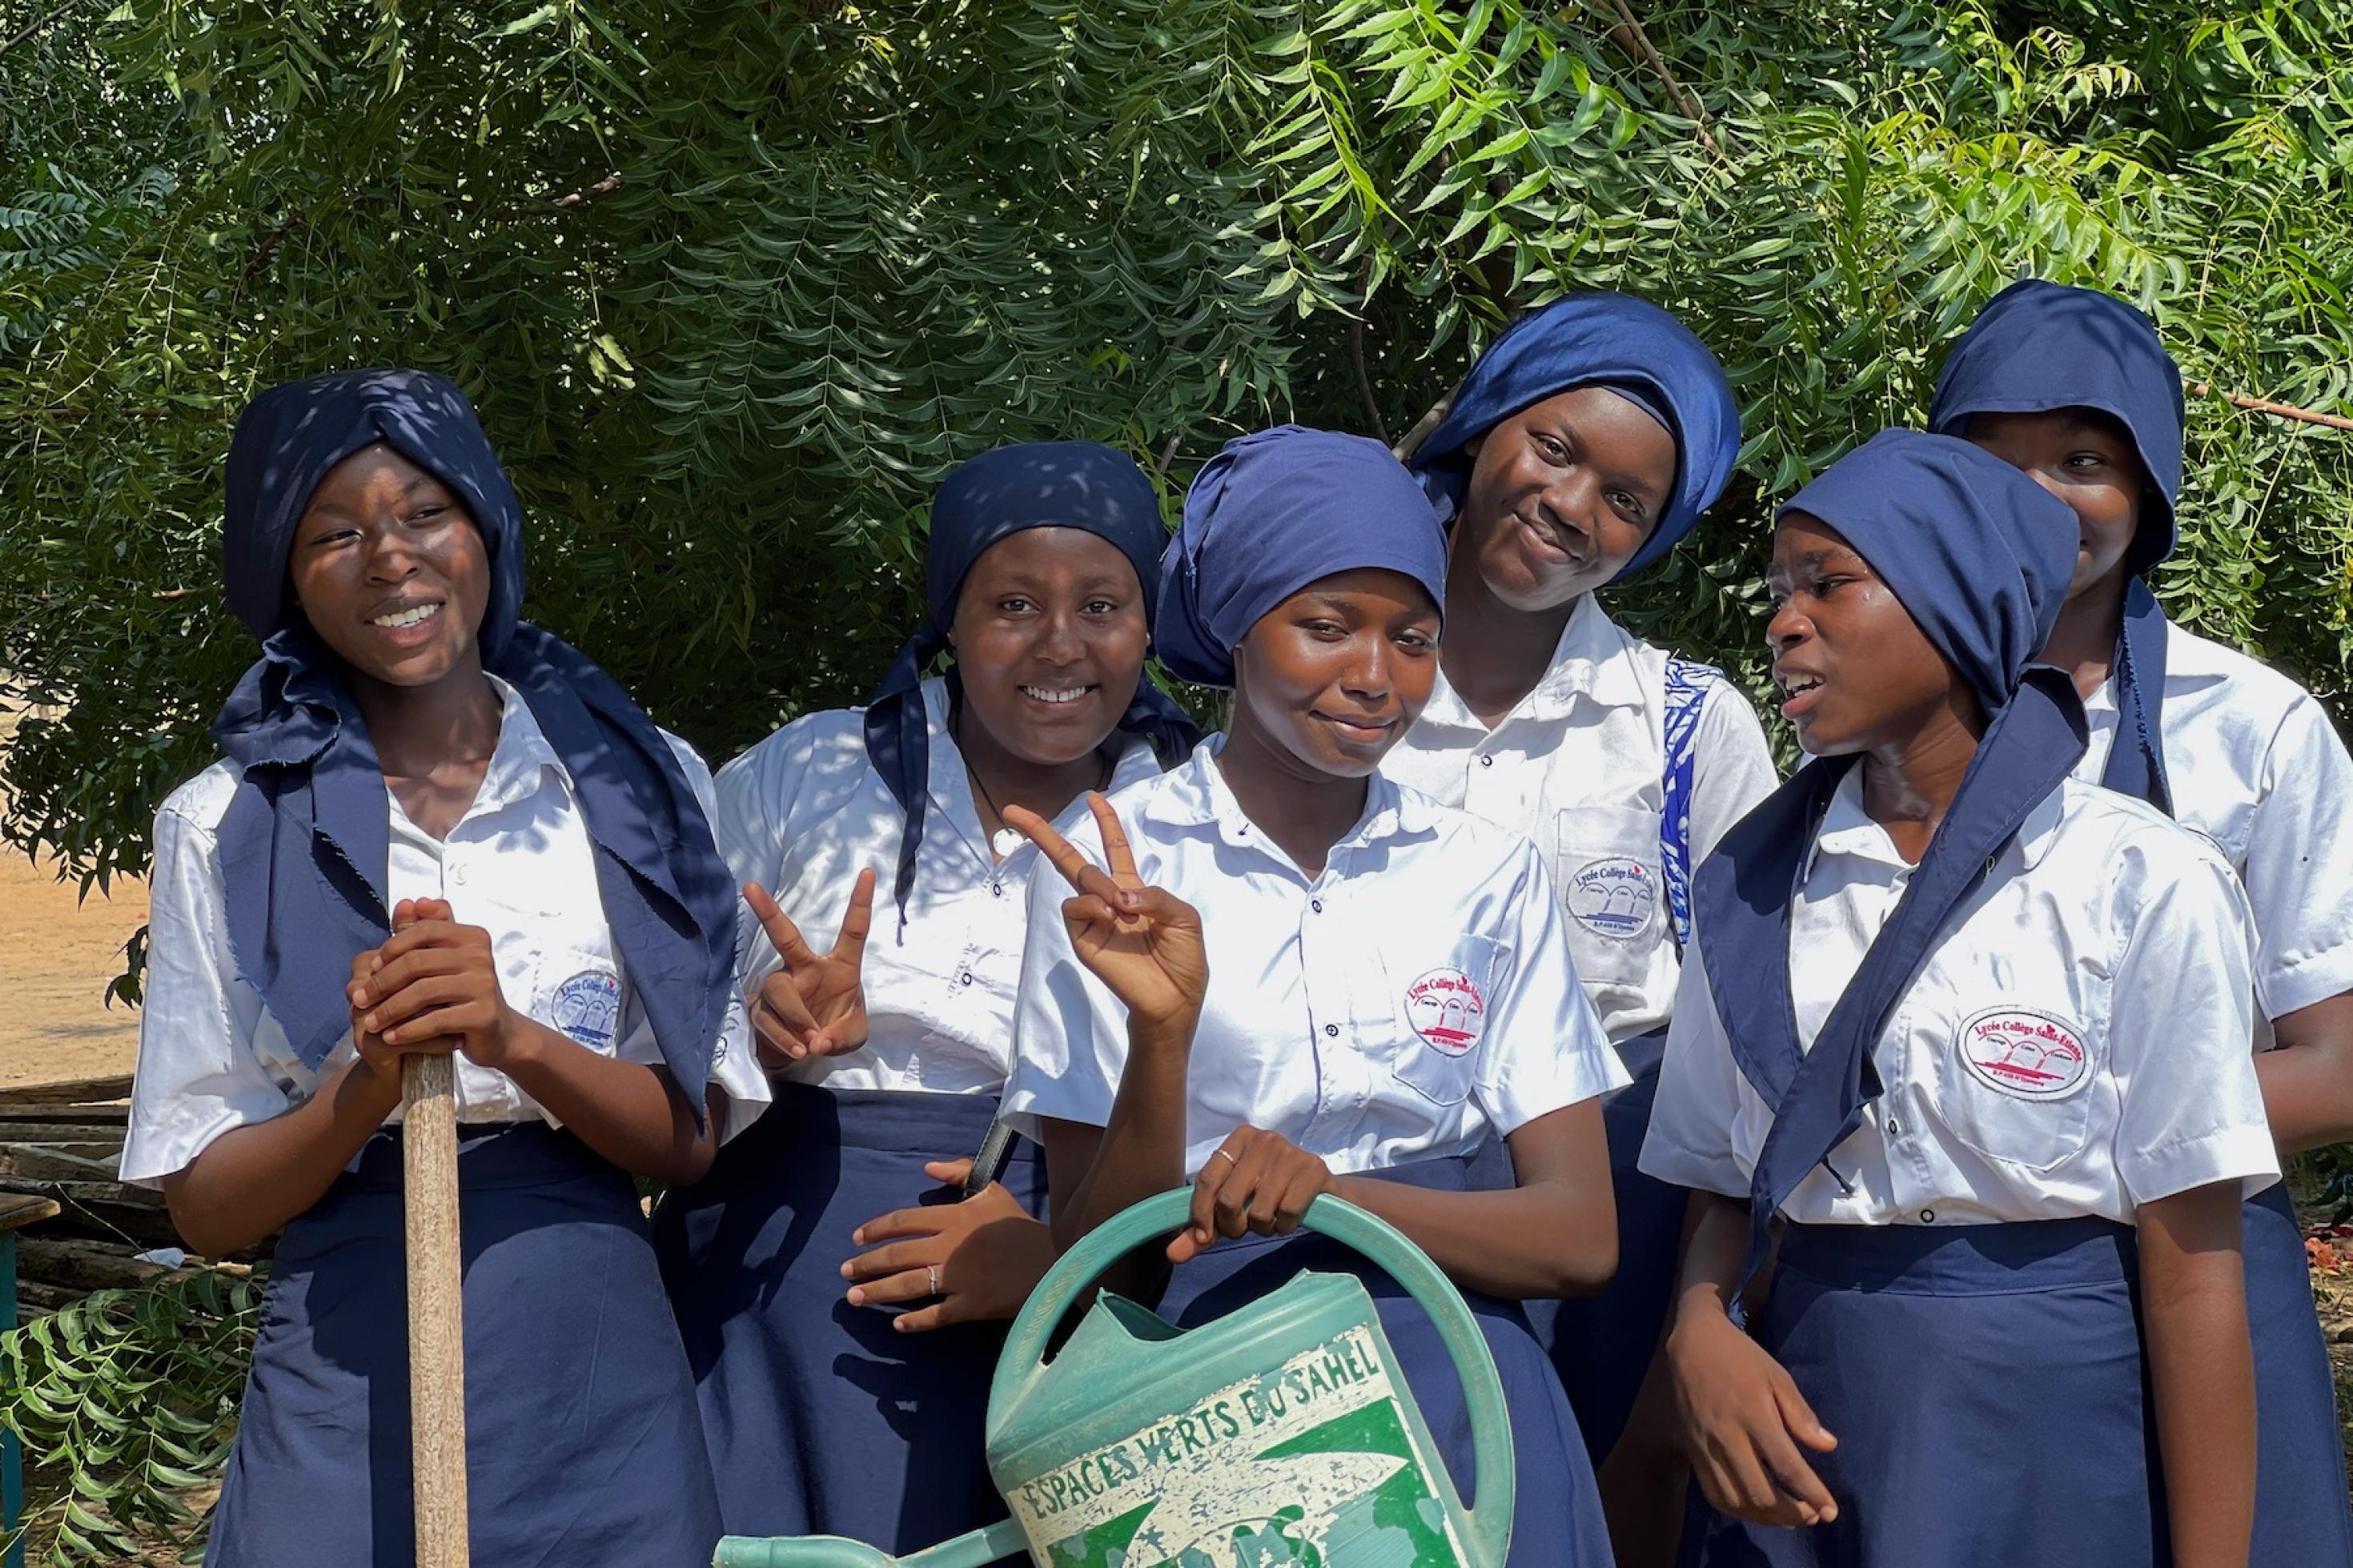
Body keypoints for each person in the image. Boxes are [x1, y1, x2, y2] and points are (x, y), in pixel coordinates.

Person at [119, 369, 769, 1565]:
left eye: (424, 513)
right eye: (334, 533)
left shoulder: (638, 785)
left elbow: (687, 1136)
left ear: (485, 527)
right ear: (285, 576)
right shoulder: (223, 824)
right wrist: (361, 1086)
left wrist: (514, 1039)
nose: (390, 559)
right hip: (345, 1356)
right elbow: (206, 1210)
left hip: (592, 1366)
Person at [1643, 430, 2275, 1566]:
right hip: (1800, 1417)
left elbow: (2193, 1276)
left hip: (2046, 1424)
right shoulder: (1751, 885)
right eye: (1780, 591)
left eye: (1827, 583)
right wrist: (1699, 1327)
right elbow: (1727, 1190)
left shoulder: (2137, 880)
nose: (1784, 622)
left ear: (1956, 602)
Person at [1004, 425, 1626, 1566]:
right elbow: (1095, 1264)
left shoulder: (1485, 873)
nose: (1377, 677)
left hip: (1468, 1399)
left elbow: (1580, 1238)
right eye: (1326, 627)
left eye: (1414, 638)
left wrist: (1330, 1198)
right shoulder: (1118, 875)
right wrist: (1164, 1039)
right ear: (1242, 625)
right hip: (1216, 1424)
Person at [650, 441, 1199, 1550]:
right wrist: (766, 1023)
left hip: (1083, 1266)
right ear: (951, 615)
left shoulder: (1199, 812)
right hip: (784, 1280)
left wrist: (1060, 1253)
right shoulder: (810, 771)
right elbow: (670, 1018)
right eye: (1012, 603)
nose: (1060, 644)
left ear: (1149, 626)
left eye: (1102, 604)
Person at [1928, 276, 2353, 1561]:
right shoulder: (1877, 710)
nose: (2038, 494)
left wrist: (2045, 1121)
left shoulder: (2256, 728)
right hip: (1952, 1294)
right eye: (1993, 458)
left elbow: (2336, 1068)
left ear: (2151, 491)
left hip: (2210, 1255)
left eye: (2084, 459)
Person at [1385, 291, 1775, 1512]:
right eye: (1554, 447)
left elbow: (1750, 1036)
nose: (1571, 507)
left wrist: (1703, 1307)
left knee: (1592, 1514)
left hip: (1624, 1207)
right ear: (1490, 422)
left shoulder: (1689, 726)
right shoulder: (1335, 679)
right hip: (1377, 1189)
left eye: (1626, 501)